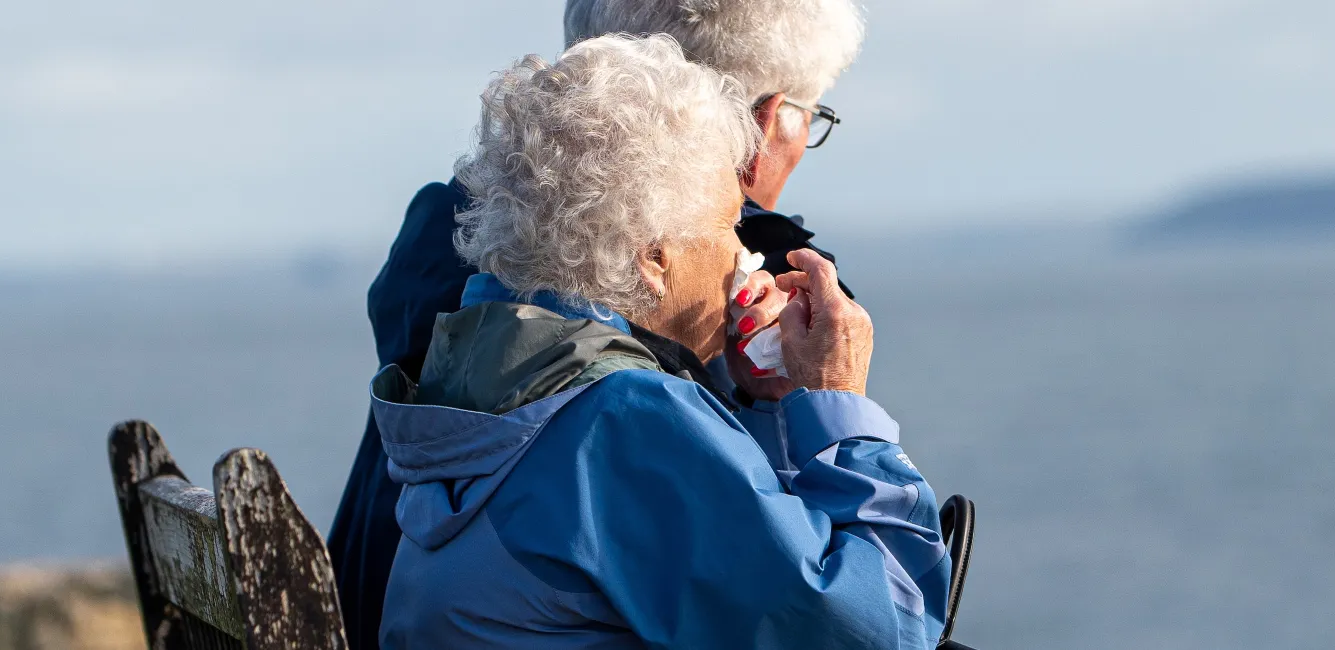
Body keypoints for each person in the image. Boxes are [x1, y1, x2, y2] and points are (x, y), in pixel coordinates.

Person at [373, 34, 948, 649]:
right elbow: (883, 628)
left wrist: (767, 403)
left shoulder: (485, 376)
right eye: (729, 224)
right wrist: (837, 406)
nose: (742, 254)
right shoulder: (620, 419)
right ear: (653, 257)